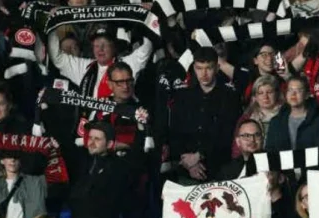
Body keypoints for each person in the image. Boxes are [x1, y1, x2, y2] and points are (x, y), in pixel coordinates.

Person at [170, 47, 240, 183]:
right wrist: (189, 162)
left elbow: (228, 135)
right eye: (199, 68)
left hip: (220, 169)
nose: (204, 73)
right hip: (185, 168)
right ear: (194, 68)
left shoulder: (230, 97)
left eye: (208, 68)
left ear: (218, 68)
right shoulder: (183, 97)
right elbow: (175, 131)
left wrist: (199, 155)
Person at [47, 25, 153, 99]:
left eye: (105, 45)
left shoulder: (126, 64)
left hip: (118, 122)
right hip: (90, 123)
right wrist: (53, 26)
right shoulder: (84, 66)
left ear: (114, 47)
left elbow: (146, 48)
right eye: (97, 45)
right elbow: (57, 58)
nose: (100, 49)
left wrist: (147, 18)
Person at [67, 121, 131, 218]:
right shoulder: (82, 161)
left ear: (110, 144)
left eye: (97, 139)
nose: (91, 142)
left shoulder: (118, 168)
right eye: (90, 138)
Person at [265, 76, 319, 152]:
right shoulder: (276, 122)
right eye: (290, 90)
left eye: (299, 90)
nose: (293, 94)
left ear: (307, 95)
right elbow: (270, 152)